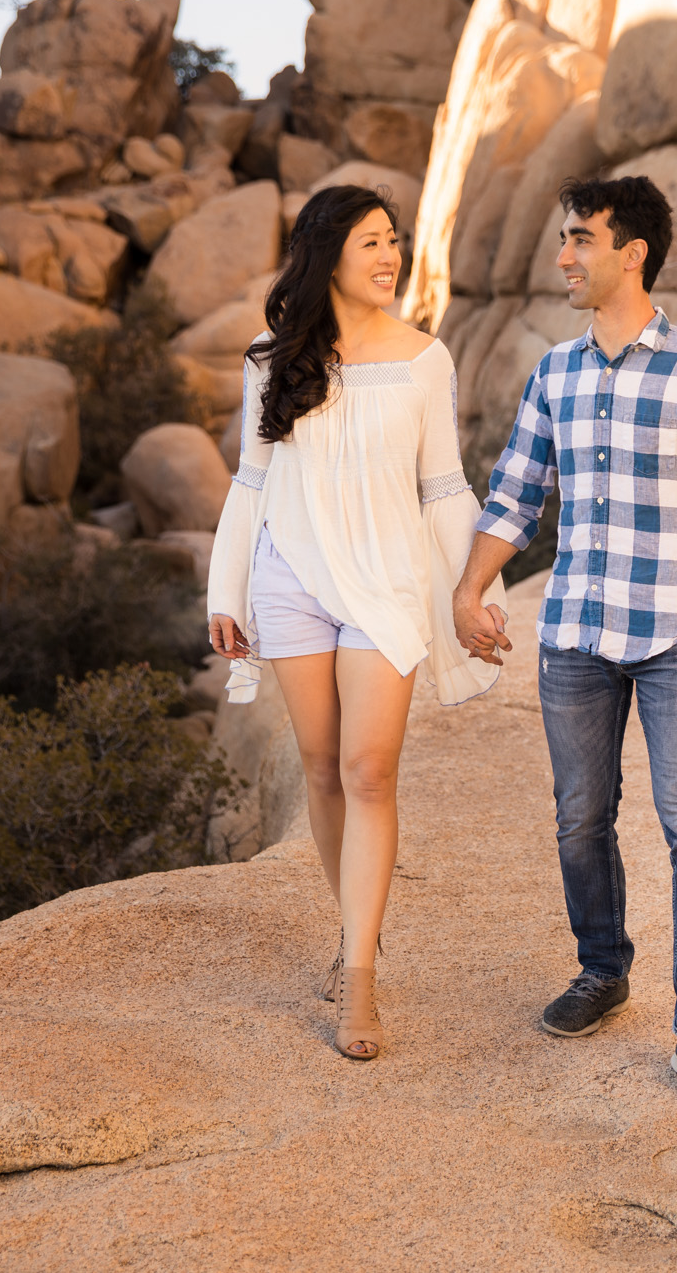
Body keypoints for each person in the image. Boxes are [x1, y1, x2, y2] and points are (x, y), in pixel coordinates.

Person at [451, 175, 677, 1098]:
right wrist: (470, 587)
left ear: (633, 253)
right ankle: (603, 968)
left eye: (581, 239)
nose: (564, 257)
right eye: (562, 240)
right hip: (576, 634)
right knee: (580, 818)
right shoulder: (556, 372)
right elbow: (514, 493)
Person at [206, 184, 506, 1063]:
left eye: (395, 241)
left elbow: (443, 487)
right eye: (372, 241)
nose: (390, 256)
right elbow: (252, 482)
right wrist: (227, 592)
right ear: (327, 251)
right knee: (322, 773)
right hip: (290, 578)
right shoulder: (273, 359)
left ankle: (362, 976)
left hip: (384, 584)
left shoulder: (425, 359)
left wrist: (472, 589)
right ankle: (352, 938)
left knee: (369, 770)